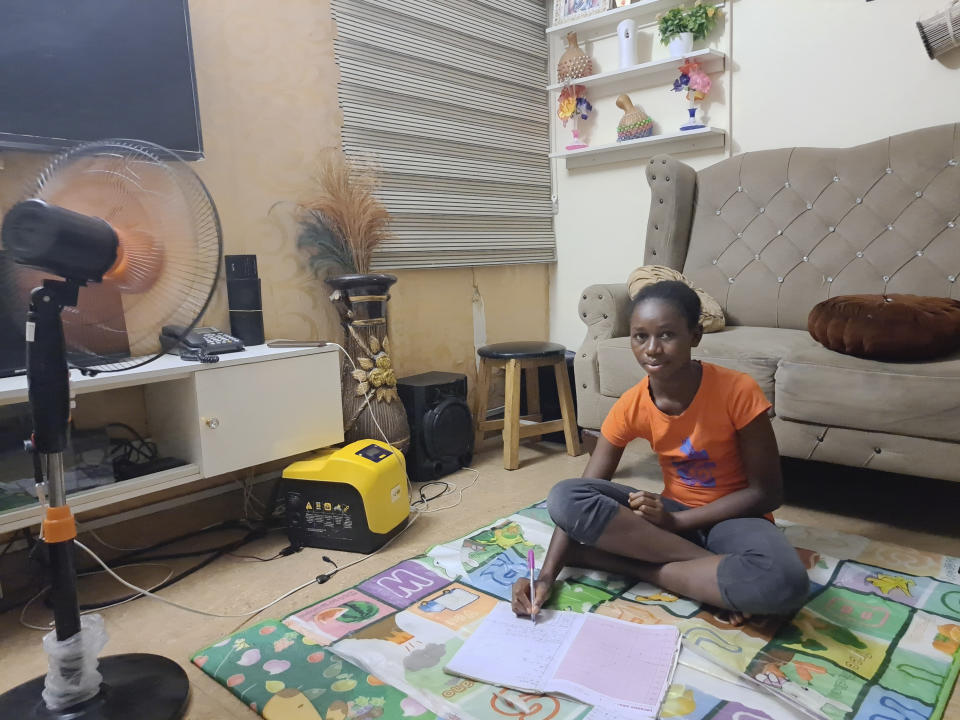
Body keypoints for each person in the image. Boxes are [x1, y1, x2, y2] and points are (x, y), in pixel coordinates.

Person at [511, 280, 809, 624]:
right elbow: (583, 494)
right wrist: (546, 576)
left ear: (694, 336)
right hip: (667, 523)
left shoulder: (738, 390)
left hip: (734, 519)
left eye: (667, 335)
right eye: (640, 336)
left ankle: (639, 567)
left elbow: (767, 494)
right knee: (563, 495)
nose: (652, 349)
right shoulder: (631, 404)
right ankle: (704, 574)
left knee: (785, 583)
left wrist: (677, 521)